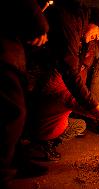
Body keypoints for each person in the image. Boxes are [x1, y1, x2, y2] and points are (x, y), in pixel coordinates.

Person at [26, 0, 99, 161]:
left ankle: (38, 145)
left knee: (78, 124)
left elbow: (73, 75)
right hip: (39, 122)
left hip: (46, 109)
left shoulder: (80, 34)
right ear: (92, 22)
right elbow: (75, 99)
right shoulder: (70, 25)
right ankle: (34, 147)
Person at [0, 0, 49, 187]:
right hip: (4, 53)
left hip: (10, 50)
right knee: (12, 114)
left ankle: (16, 160)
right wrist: (39, 26)